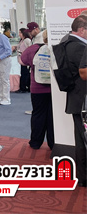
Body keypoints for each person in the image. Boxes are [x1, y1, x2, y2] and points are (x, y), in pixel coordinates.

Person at [57, 15, 87, 187]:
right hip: (83, 100)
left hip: (76, 99)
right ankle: (84, 176)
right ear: (82, 30)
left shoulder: (66, 42)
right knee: (83, 140)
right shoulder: (80, 48)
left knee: (80, 139)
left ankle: (83, 176)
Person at [20, 30, 54, 150]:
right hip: (55, 89)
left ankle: (35, 142)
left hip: (37, 88)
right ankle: (53, 143)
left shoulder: (33, 49)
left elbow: (22, 61)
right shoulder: (58, 48)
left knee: (38, 114)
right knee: (52, 116)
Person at [15, 28, 33, 93]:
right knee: (23, 73)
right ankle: (23, 87)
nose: (19, 34)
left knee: (25, 73)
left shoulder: (27, 40)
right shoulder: (21, 41)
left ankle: (24, 87)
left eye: (20, 32)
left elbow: (30, 48)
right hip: (21, 60)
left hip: (26, 60)